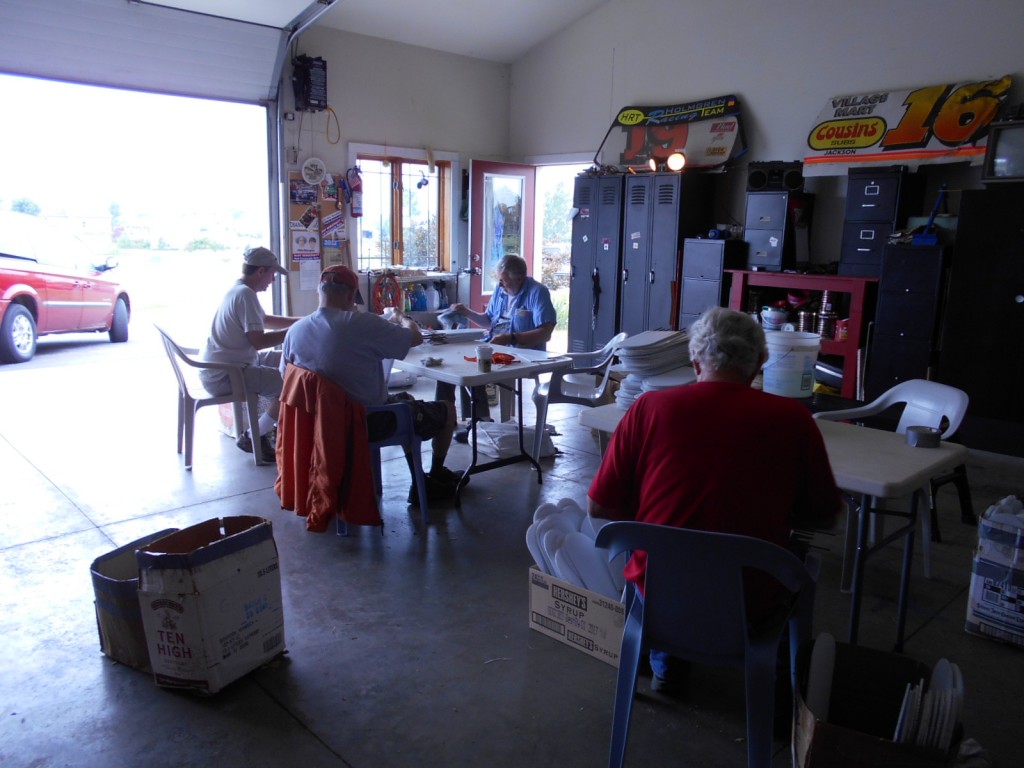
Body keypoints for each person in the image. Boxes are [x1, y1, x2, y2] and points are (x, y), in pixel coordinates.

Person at [587, 306, 841, 694]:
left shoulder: (649, 409)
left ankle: (667, 663)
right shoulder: (792, 420)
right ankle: (774, 692)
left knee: (669, 553)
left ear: (694, 359)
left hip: (659, 597)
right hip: (750, 605)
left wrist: (658, 514)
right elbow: (823, 515)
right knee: (795, 564)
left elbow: (599, 506)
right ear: (760, 362)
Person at [280, 265, 461, 505]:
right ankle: (434, 476)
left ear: (319, 291)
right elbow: (415, 338)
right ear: (350, 294)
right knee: (446, 410)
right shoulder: (360, 324)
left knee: (406, 400)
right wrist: (401, 317)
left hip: (318, 423)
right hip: (366, 422)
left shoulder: (296, 331)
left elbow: (287, 379)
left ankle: (422, 481)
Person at [200, 246, 299, 462]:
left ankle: (264, 431)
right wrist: (296, 330)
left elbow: (264, 321)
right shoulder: (245, 295)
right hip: (226, 374)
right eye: (272, 274)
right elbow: (259, 341)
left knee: (288, 360)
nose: (272, 280)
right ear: (260, 271)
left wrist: (303, 321)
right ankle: (255, 435)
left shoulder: (240, 289)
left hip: (229, 364)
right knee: (293, 385)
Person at [439, 253, 557, 427]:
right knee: (451, 365)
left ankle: (480, 420)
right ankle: (445, 417)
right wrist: (466, 312)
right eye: (499, 281)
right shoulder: (500, 290)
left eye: (504, 281)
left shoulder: (537, 292)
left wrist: (512, 337)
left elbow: (545, 333)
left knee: (475, 367)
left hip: (523, 350)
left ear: (519, 278)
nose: (500, 285)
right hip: (498, 343)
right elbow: (489, 320)